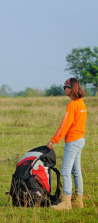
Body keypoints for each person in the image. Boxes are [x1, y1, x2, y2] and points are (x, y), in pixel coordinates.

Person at [47, 78, 87, 210]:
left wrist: (53, 140)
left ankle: (67, 202)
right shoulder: (81, 103)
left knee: (65, 170)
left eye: (66, 86)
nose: (64, 88)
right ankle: (79, 200)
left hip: (73, 141)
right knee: (76, 171)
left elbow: (65, 125)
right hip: (80, 139)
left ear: (72, 88)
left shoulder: (72, 105)